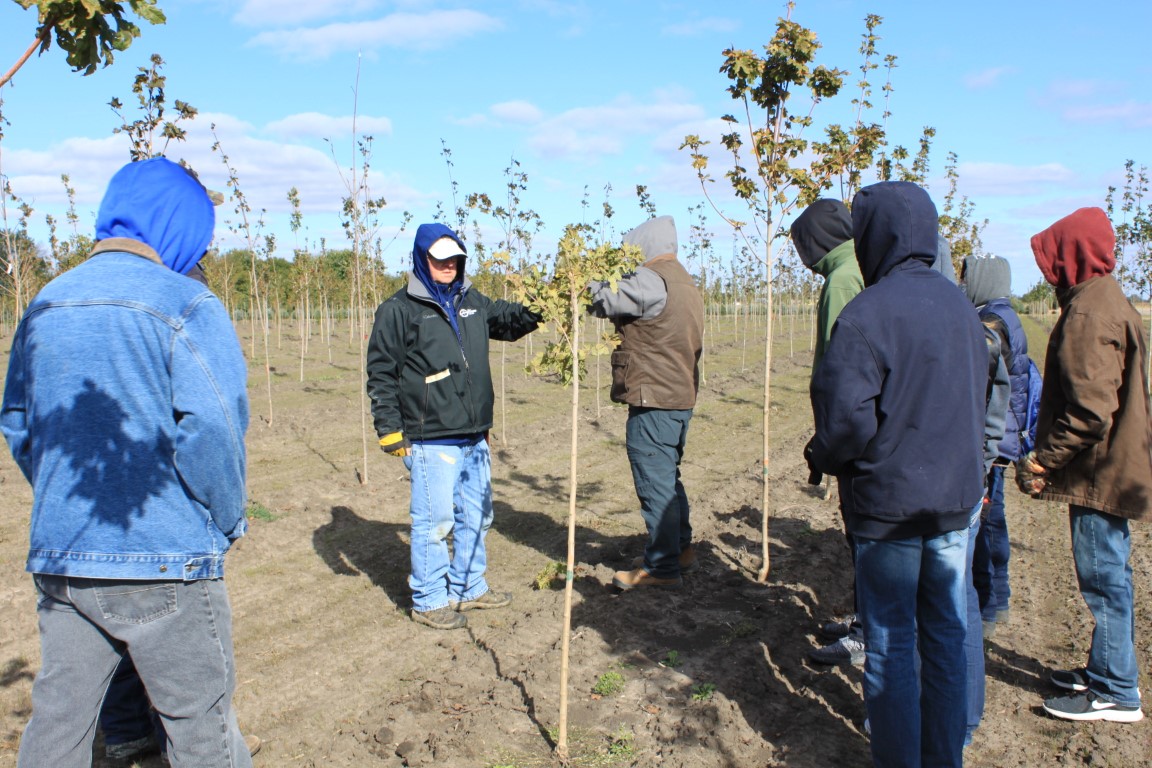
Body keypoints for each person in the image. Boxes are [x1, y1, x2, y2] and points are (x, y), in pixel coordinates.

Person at [1, 157, 253, 766]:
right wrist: (222, 517)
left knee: (59, 726)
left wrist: (61, 491)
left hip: (65, 556)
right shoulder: (187, 303)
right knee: (201, 730)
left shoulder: (45, 304)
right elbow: (214, 427)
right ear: (180, 226)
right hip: (166, 560)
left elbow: (18, 421)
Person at [806, 181, 987, 767]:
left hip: (888, 512)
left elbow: (846, 423)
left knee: (889, 644)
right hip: (954, 506)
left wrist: (821, 456)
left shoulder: (866, 314)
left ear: (872, 238)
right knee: (944, 636)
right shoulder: (962, 308)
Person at [366, 222, 541, 630]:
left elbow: (510, 321)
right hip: (431, 437)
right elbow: (381, 371)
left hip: (473, 432)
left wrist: (547, 303)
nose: (448, 265)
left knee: (477, 515)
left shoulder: (472, 302)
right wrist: (390, 430)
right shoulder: (400, 310)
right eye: (439, 258)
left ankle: (468, 586)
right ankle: (429, 599)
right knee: (435, 521)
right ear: (421, 258)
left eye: (455, 258)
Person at [1019, 207, 1150, 723]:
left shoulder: (1090, 313)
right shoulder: (1107, 298)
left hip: (1099, 472)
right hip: (1112, 467)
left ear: (1072, 253)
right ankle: (1104, 669)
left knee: (1103, 580)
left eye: (1053, 256)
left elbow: (1090, 411)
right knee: (1111, 573)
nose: (1048, 269)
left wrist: (1043, 460)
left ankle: (1116, 690)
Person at [586, 215, 704, 591]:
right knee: (668, 477)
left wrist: (580, 281)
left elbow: (604, 298)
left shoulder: (651, 280)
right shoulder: (683, 280)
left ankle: (662, 568)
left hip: (655, 397)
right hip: (678, 395)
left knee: (655, 482)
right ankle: (680, 550)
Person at [790, 199, 867, 666]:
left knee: (862, 530)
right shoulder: (860, 266)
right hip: (858, 430)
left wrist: (829, 442)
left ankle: (867, 631)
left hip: (850, 433)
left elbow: (843, 370)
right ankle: (863, 618)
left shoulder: (842, 280)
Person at [962, 255, 1032, 638]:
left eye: (968, 276)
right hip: (1006, 434)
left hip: (994, 438)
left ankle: (987, 604)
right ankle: (997, 598)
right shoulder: (1007, 316)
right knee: (995, 519)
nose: (962, 282)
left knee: (986, 523)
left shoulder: (992, 324)